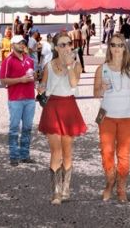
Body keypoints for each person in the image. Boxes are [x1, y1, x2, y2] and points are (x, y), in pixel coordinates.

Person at [95, 33, 130, 203]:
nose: (116, 48)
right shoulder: (101, 69)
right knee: (107, 152)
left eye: (120, 45)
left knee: (124, 155)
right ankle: (110, 181)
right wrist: (101, 88)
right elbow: (96, 93)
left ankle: (121, 187)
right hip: (106, 117)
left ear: (125, 48)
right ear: (109, 48)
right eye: (113, 45)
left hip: (128, 116)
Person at [38, 32, 85, 203]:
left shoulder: (77, 64)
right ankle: (56, 192)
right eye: (62, 45)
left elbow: (73, 84)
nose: (67, 47)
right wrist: (40, 88)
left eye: (69, 44)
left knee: (67, 151)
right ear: (56, 48)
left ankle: (66, 188)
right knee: (55, 150)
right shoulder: (48, 65)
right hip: (52, 108)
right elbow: (43, 85)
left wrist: (71, 65)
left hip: (68, 107)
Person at [0, 34, 39, 166]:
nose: (22, 44)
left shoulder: (30, 60)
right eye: (19, 43)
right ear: (12, 45)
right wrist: (20, 80)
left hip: (30, 98)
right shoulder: (8, 61)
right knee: (14, 128)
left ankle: (25, 155)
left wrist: (34, 78)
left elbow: (33, 77)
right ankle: (13, 156)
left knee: (28, 128)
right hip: (15, 99)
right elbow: (3, 81)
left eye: (23, 42)